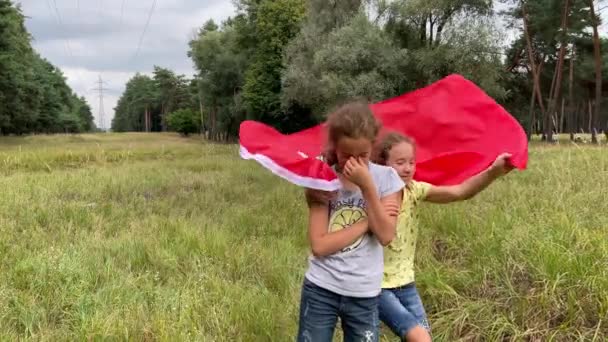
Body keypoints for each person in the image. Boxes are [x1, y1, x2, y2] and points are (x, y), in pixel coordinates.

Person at [373, 132, 514, 342]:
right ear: (383, 165)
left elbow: (460, 192)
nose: (408, 168)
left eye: (411, 162)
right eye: (400, 162)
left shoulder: (415, 190)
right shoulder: (371, 195)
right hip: (377, 286)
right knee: (420, 338)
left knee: (423, 337)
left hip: (406, 283)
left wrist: (493, 172)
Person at [298, 102, 405, 342]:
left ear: (373, 147)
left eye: (363, 156)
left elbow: (386, 235)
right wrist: (367, 223)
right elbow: (320, 246)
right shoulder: (322, 180)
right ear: (335, 148)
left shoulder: (387, 179)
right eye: (347, 155)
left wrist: (367, 186)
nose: (354, 163)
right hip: (321, 287)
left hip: (364, 292)